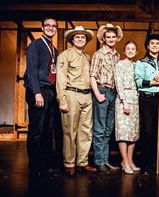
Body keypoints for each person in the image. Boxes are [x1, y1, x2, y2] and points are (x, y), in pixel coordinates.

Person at [56, 26, 97, 177]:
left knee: (86, 131)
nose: (80, 39)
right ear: (72, 40)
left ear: (86, 40)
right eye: (77, 37)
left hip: (87, 95)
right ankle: (69, 163)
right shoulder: (65, 56)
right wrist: (62, 100)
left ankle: (83, 161)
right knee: (69, 131)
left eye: (83, 37)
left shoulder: (88, 57)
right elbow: (60, 78)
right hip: (71, 94)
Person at [24, 17, 59, 179]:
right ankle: (35, 167)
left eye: (54, 26)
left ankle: (45, 165)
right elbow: (31, 71)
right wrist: (36, 92)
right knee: (36, 130)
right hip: (39, 91)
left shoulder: (54, 49)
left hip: (50, 91)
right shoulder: (35, 46)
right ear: (42, 28)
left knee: (47, 131)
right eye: (48, 25)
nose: (51, 28)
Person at [90, 23, 123, 173]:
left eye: (113, 37)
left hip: (113, 93)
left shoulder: (118, 56)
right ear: (103, 39)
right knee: (99, 128)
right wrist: (97, 94)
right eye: (108, 37)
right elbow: (92, 76)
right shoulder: (99, 54)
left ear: (116, 38)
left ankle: (105, 160)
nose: (111, 39)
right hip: (102, 90)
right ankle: (99, 161)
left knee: (108, 129)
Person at [135, 33, 159, 174]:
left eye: (157, 44)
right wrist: (154, 81)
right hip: (146, 99)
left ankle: (154, 162)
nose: (155, 45)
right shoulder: (141, 63)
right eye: (152, 43)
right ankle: (145, 164)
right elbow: (139, 82)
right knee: (147, 132)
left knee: (156, 132)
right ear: (148, 46)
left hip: (158, 98)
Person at [115, 41, 140, 174]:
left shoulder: (137, 65)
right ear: (124, 51)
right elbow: (118, 83)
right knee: (123, 133)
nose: (130, 51)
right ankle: (124, 162)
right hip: (123, 99)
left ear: (136, 52)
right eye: (128, 48)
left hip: (135, 99)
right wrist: (124, 101)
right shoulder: (120, 64)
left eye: (133, 49)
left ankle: (130, 161)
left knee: (133, 133)